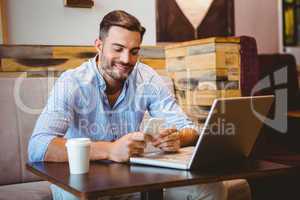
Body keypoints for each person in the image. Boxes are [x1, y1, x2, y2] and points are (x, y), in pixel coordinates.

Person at [28, 10, 227, 200]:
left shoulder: (147, 77)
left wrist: (178, 139)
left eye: (134, 51)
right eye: (118, 49)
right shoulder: (71, 82)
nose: (126, 59)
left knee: (211, 190)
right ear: (99, 45)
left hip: (132, 181)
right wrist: (110, 150)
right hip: (81, 183)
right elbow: (38, 147)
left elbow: (189, 129)